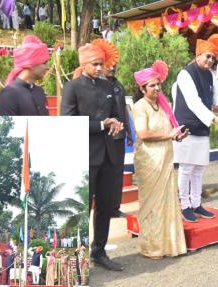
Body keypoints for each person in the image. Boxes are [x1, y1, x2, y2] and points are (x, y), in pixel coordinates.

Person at [0, 35, 66, 287]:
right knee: (20, 228)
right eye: (44, 62)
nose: (47, 67)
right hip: (20, 168)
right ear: (32, 64)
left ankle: (38, 280)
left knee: (40, 225)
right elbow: (8, 132)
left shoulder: (37, 92)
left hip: (40, 164)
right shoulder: (9, 93)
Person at [61, 39, 124, 271]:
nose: (100, 68)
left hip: (109, 155)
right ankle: (76, 256)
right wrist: (100, 125)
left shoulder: (109, 87)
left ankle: (99, 251)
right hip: (85, 154)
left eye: (101, 64)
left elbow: (115, 113)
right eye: (95, 64)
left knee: (105, 206)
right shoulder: (72, 88)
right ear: (84, 64)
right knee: (81, 207)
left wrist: (116, 123)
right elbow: (68, 122)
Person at [132, 61, 188, 259]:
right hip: (149, 160)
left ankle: (170, 245)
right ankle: (152, 247)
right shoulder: (140, 107)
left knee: (167, 201)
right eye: (152, 85)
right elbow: (143, 133)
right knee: (152, 204)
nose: (157, 88)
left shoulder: (164, 105)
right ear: (142, 88)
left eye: (158, 84)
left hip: (165, 157)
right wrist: (169, 134)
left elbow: (169, 131)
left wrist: (178, 135)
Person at [173, 34, 218, 223]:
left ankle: (196, 204)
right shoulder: (185, 73)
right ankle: (184, 206)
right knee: (186, 169)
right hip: (186, 129)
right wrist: (213, 118)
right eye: (207, 56)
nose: (210, 60)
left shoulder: (211, 75)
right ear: (198, 55)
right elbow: (193, 102)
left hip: (202, 128)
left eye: (213, 58)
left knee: (199, 169)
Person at [103, 65, 133, 218]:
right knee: (105, 174)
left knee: (117, 174)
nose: (112, 67)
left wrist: (128, 131)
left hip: (119, 135)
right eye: (109, 64)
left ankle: (115, 208)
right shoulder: (97, 85)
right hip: (104, 135)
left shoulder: (118, 85)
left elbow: (124, 110)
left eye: (115, 64)